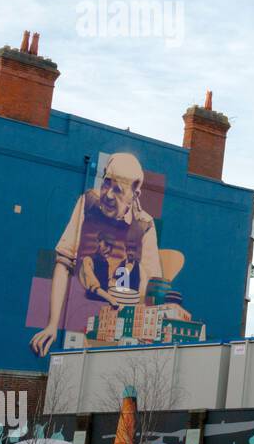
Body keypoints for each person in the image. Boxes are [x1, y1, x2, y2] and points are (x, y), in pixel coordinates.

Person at [28, 152, 160, 356]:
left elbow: (149, 286)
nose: (108, 195)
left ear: (134, 195)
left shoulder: (145, 225)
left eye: (118, 190)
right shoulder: (87, 203)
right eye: (107, 183)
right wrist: (52, 325)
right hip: (81, 315)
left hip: (119, 327)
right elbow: (63, 262)